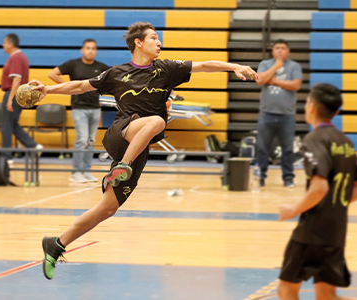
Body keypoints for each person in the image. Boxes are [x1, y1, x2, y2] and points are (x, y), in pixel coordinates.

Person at [29, 21, 260, 280]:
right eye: (153, 38)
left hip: (138, 147)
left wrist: (235, 66)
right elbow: (82, 85)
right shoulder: (117, 73)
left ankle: (56, 244)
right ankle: (121, 167)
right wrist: (48, 89)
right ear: (138, 43)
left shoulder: (167, 69)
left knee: (107, 208)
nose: (159, 42)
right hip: (121, 133)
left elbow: (205, 65)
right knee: (157, 121)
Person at [277, 83, 357, 300]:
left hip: (312, 231)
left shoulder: (313, 140)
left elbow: (319, 187)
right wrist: (334, 205)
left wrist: (293, 210)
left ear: (311, 108)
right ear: (336, 111)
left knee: (286, 290)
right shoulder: (345, 142)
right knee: (326, 296)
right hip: (336, 230)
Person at [49, 39, 110, 183]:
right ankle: (76, 172)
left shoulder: (100, 66)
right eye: (88, 48)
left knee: (90, 141)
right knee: (82, 139)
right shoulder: (73, 64)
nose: (90, 51)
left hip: (95, 108)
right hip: (79, 108)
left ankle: (86, 171)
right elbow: (53, 74)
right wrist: (67, 86)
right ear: (83, 50)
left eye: (93, 48)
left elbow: (112, 79)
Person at [256, 39, 303, 188]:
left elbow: (295, 85)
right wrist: (276, 66)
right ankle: (260, 177)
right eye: (277, 48)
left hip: (287, 115)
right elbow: (260, 80)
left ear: (288, 51)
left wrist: (274, 80)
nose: (280, 51)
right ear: (273, 51)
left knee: (288, 149)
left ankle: (288, 178)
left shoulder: (294, 66)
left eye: (283, 48)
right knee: (262, 147)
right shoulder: (265, 64)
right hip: (266, 113)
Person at [0, 33, 42, 165]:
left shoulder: (16, 58)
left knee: (6, 124)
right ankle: (33, 146)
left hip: (12, 93)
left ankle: (7, 157)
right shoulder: (20, 57)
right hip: (17, 94)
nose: (3, 45)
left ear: (10, 44)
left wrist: (10, 98)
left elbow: (17, 79)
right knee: (12, 124)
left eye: (4, 42)